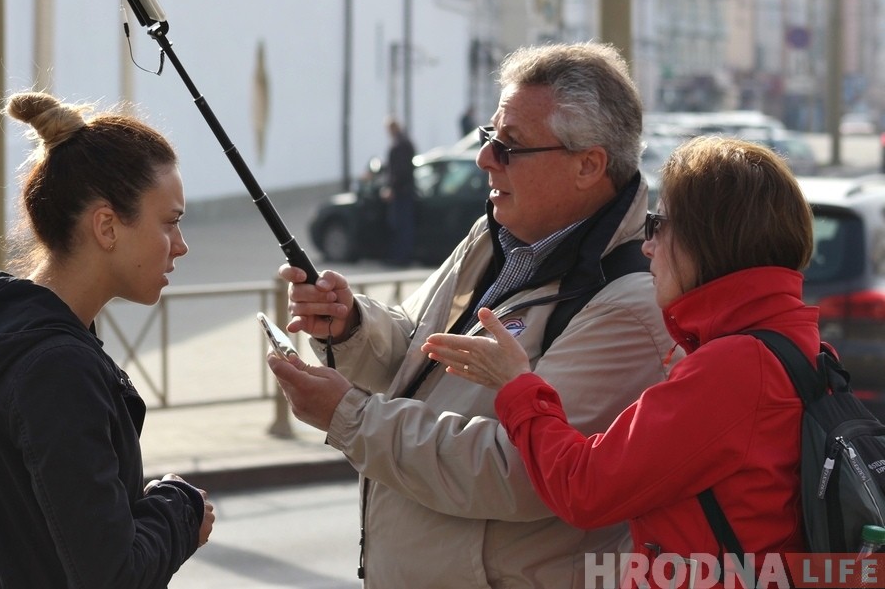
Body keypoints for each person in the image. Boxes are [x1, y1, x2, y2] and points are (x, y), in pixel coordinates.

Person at [266, 42, 676, 587]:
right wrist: (351, 325)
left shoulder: (631, 304)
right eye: (489, 138)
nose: (485, 159)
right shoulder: (495, 235)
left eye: (510, 147)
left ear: (588, 165)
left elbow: (519, 472)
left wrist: (349, 416)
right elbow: (417, 354)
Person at [424, 136, 812, 587]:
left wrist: (518, 386)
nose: (648, 247)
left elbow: (586, 489)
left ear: (709, 239)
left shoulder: (736, 366)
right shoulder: (791, 343)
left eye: (659, 226)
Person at [0, 91, 215, 588]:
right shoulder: (56, 370)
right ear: (107, 226)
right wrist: (180, 509)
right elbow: (112, 576)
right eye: (170, 222)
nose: (180, 245)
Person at [382, 116, 416, 265]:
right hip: (404, 190)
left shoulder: (400, 144)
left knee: (401, 225)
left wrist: (392, 189)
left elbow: (400, 171)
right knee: (401, 225)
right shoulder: (403, 142)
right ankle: (401, 256)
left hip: (402, 192)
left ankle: (401, 258)